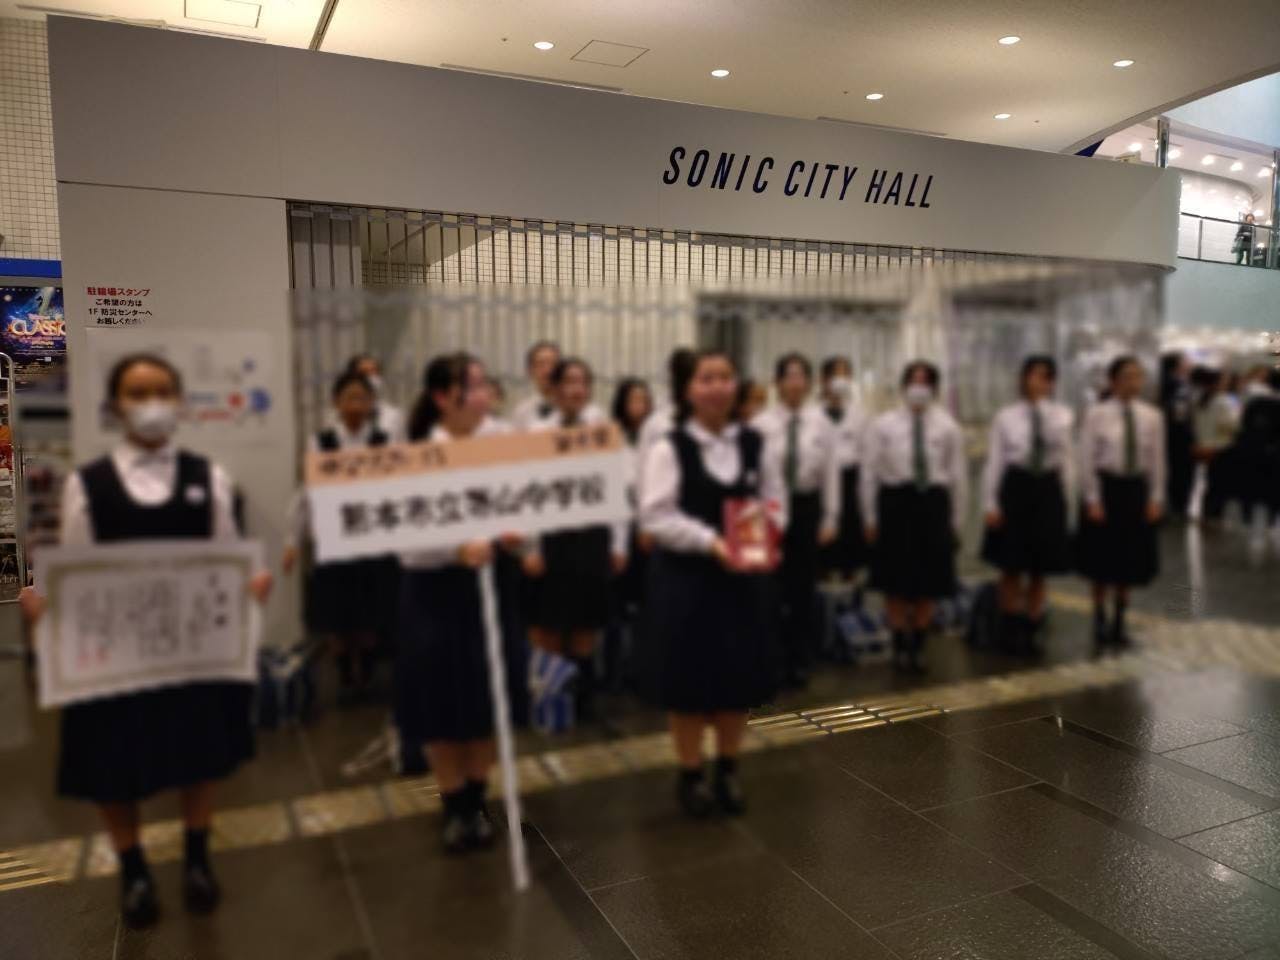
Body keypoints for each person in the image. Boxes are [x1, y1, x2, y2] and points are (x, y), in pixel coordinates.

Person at [18, 353, 273, 928]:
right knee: (112, 763)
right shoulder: (87, 485)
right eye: (137, 392)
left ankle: (197, 857)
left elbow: (228, 560)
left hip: (191, 650)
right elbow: (74, 573)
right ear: (116, 406)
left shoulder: (208, 479)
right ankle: (133, 868)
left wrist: (249, 587)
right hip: (117, 657)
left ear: (179, 403)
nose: (151, 403)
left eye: (162, 391)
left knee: (200, 754)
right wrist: (46, 607)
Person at [639, 348, 785, 818]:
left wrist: (764, 536)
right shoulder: (670, 447)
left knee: (736, 679)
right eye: (706, 378)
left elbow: (774, 500)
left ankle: (728, 768)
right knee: (688, 683)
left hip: (741, 582)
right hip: (687, 581)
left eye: (725, 377)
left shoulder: (756, 444)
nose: (717, 387)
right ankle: (690, 773)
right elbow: (656, 515)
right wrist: (711, 542)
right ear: (687, 389)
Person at [397, 352, 525, 853]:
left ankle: (477, 796)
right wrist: (454, 548)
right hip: (436, 592)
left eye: (483, 384)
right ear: (441, 398)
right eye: (471, 386)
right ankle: (452, 804)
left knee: (487, 697)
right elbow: (406, 542)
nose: (482, 394)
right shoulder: (417, 456)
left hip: (493, 583)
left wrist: (518, 533)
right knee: (440, 700)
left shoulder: (505, 448)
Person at [522, 358, 627, 721]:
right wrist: (531, 546)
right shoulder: (537, 432)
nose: (576, 390)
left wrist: (618, 543)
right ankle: (550, 700)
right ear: (553, 389)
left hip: (591, 537)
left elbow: (616, 487)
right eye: (568, 382)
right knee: (548, 624)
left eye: (583, 382)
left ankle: (582, 700)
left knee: (585, 622)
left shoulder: (603, 431)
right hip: (551, 537)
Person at [283, 371, 397, 702]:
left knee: (370, 611)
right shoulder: (321, 442)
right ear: (336, 402)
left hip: (373, 537)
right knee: (337, 614)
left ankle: (368, 677)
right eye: (349, 397)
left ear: (372, 402)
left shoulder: (384, 441)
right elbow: (307, 492)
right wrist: (293, 541)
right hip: (333, 539)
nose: (356, 404)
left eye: (362, 397)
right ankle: (345, 677)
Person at [861, 360, 967, 674]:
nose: (919, 388)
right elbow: (869, 473)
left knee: (928, 582)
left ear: (934, 388)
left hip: (932, 505)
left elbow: (957, 476)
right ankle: (898, 644)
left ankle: (918, 644)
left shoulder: (948, 426)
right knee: (894, 582)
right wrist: (869, 517)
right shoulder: (883, 424)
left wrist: (956, 521)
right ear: (904, 386)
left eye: (925, 382)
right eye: (913, 381)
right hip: (896, 504)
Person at [752, 353, 840, 687]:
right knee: (769, 587)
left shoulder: (821, 423)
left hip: (806, 506)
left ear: (809, 383)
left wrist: (830, 517)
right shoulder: (761, 424)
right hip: (769, 508)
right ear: (777, 383)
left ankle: (799, 658)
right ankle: (770, 658)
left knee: (802, 587)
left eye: (801, 376)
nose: (795, 383)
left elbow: (831, 473)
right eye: (788, 376)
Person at [979, 356, 1074, 653]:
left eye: (1046, 376)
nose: (1038, 382)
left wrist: (1068, 499)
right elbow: (995, 461)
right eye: (1033, 375)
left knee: (1040, 567)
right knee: (1011, 565)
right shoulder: (1006, 416)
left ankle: (1033, 625)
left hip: (1047, 487)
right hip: (1016, 487)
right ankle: (1010, 627)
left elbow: (1066, 457)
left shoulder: (1062, 415)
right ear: (1023, 379)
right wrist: (991, 503)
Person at [1076, 356, 1165, 647]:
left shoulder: (1151, 416)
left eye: (1138, 376)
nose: (1134, 382)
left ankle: (1120, 620)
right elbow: (1086, 457)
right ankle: (1099, 617)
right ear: (1113, 380)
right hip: (1106, 488)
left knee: (1129, 558)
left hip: (1134, 490)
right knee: (1101, 559)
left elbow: (1157, 460)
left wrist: (1155, 497)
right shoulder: (1097, 414)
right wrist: (1092, 498)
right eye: (1127, 376)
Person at [606, 377, 655, 690]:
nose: (639, 405)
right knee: (618, 603)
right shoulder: (612, 436)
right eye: (633, 399)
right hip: (620, 525)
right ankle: (616, 671)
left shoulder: (657, 435)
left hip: (651, 526)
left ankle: (645, 668)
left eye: (643, 399)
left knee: (649, 601)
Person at [818, 356, 868, 581]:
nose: (841, 380)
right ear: (824, 379)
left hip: (850, 480)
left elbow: (866, 453)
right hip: (821, 483)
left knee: (850, 547)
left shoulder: (860, 414)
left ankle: (850, 588)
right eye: (836, 375)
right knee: (824, 548)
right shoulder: (813, 414)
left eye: (846, 375)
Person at [1190, 367, 1240, 526]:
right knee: (1220, 484)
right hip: (1221, 448)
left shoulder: (1199, 400)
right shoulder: (1224, 401)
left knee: (1209, 481)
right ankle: (1214, 515)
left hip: (1203, 446)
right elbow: (1231, 425)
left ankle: (1206, 513)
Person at [1159, 352, 1194, 520]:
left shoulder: (1161, 381)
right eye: (1185, 361)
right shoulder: (1179, 385)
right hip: (1179, 435)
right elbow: (1180, 413)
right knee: (1181, 473)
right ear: (1177, 365)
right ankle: (1179, 508)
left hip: (1166, 434)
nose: (1188, 364)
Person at [345, 353, 405, 441]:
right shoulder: (339, 417)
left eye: (375, 372)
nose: (372, 378)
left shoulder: (394, 416)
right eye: (365, 373)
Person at [511, 341, 560, 429]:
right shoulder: (522, 412)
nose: (547, 370)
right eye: (540, 364)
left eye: (553, 364)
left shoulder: (578, 409)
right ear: (529, 371)